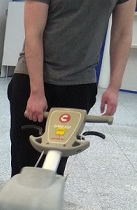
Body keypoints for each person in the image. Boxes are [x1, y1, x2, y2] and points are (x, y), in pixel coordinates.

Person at [8, 0, 136, 176]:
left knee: (57, 162)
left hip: (79, 85)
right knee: (25, 165)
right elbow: (33, 34)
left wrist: (114, 87)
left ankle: (48, 193)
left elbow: (122, 34)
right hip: (34, 79)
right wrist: (36, 92)